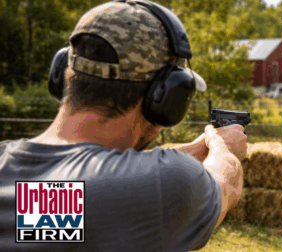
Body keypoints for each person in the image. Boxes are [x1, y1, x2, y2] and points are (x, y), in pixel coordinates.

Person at [0, 1, 246, 251]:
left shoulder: (35, 194)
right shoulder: (168, 184)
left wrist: (192, 152)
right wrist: (224, 147)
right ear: (165, 99)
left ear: (61, 71)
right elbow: (225, 186)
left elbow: (72, 191)